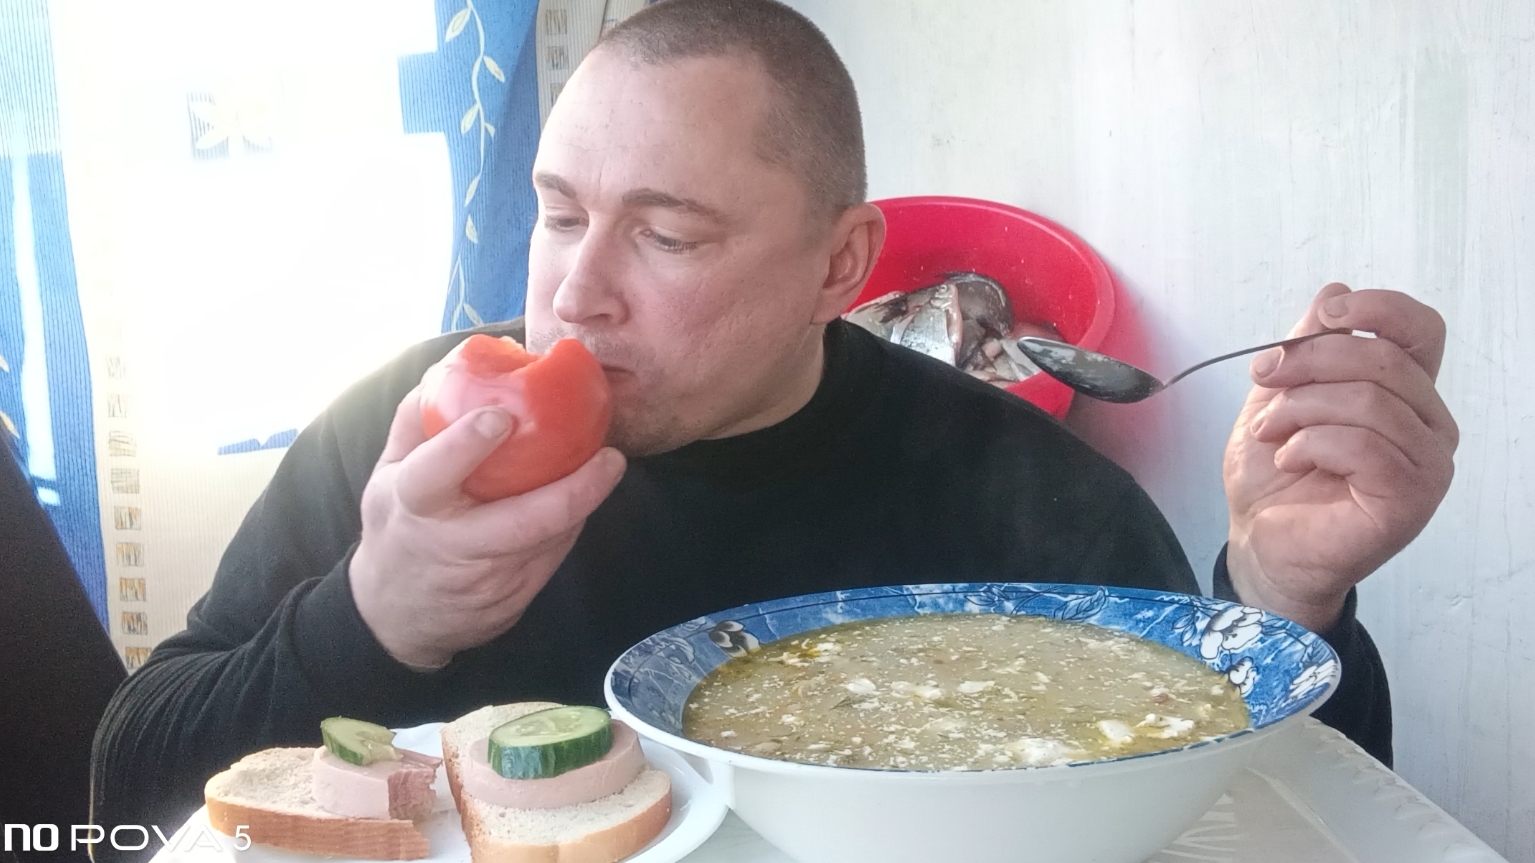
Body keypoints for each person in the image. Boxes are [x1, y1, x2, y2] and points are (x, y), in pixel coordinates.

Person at [89, 0, 1458, 854]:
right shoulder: (414, 437)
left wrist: (1285, 603)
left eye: (668, 235)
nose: (575, 292)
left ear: (838, 266)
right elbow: (123, 795)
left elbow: (1251, 825)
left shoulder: (1021, 498)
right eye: (559, 214)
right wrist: (372, 619)